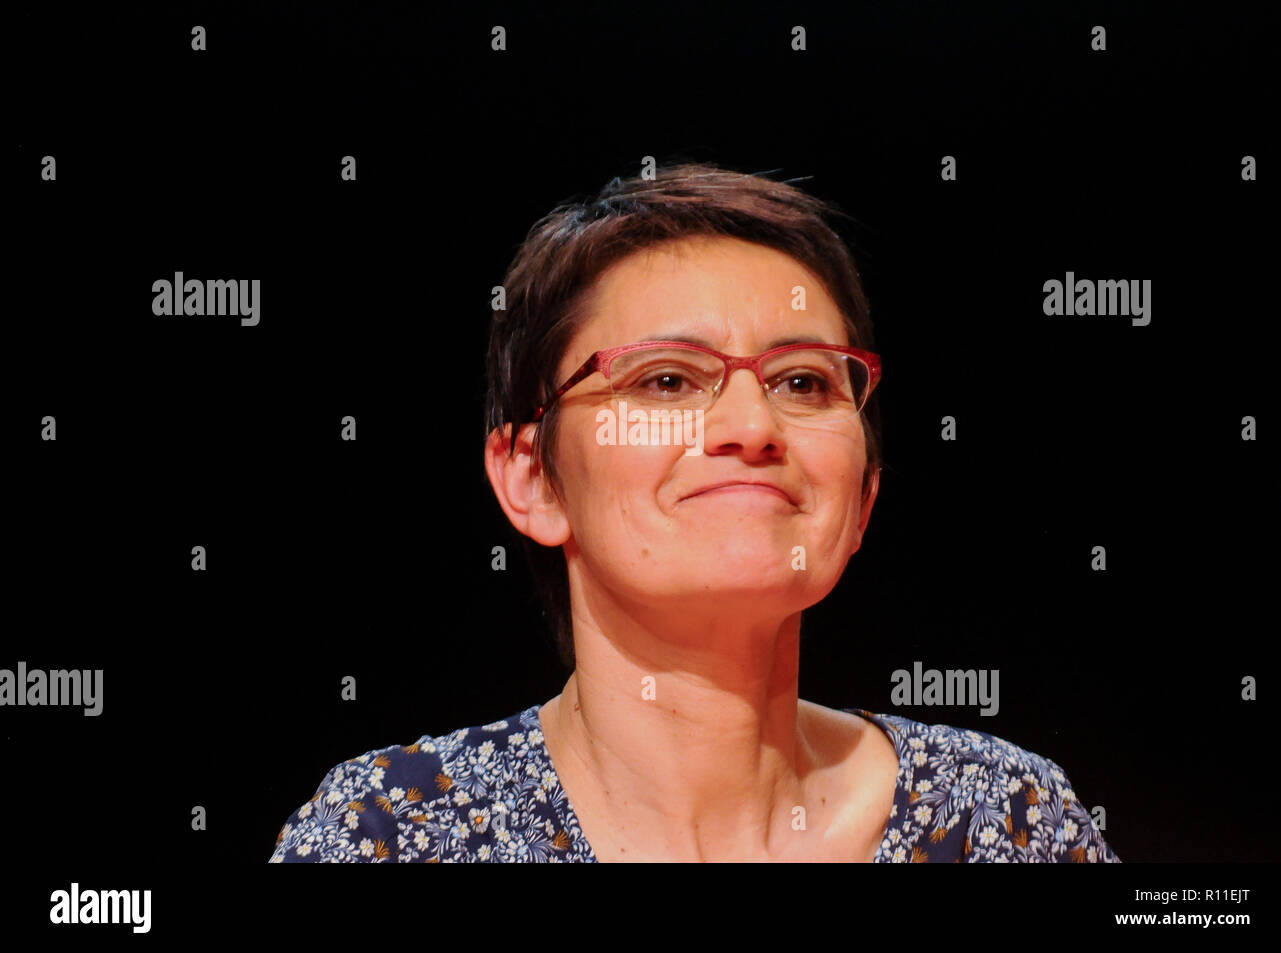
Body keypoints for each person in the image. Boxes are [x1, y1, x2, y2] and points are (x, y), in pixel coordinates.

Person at [270, 163, 1120, 862]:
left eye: (804, 382)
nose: (752, 427)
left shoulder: (1009, 821)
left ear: (862, 497)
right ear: (532, 476)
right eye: (666, 380)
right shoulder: (390, 835)